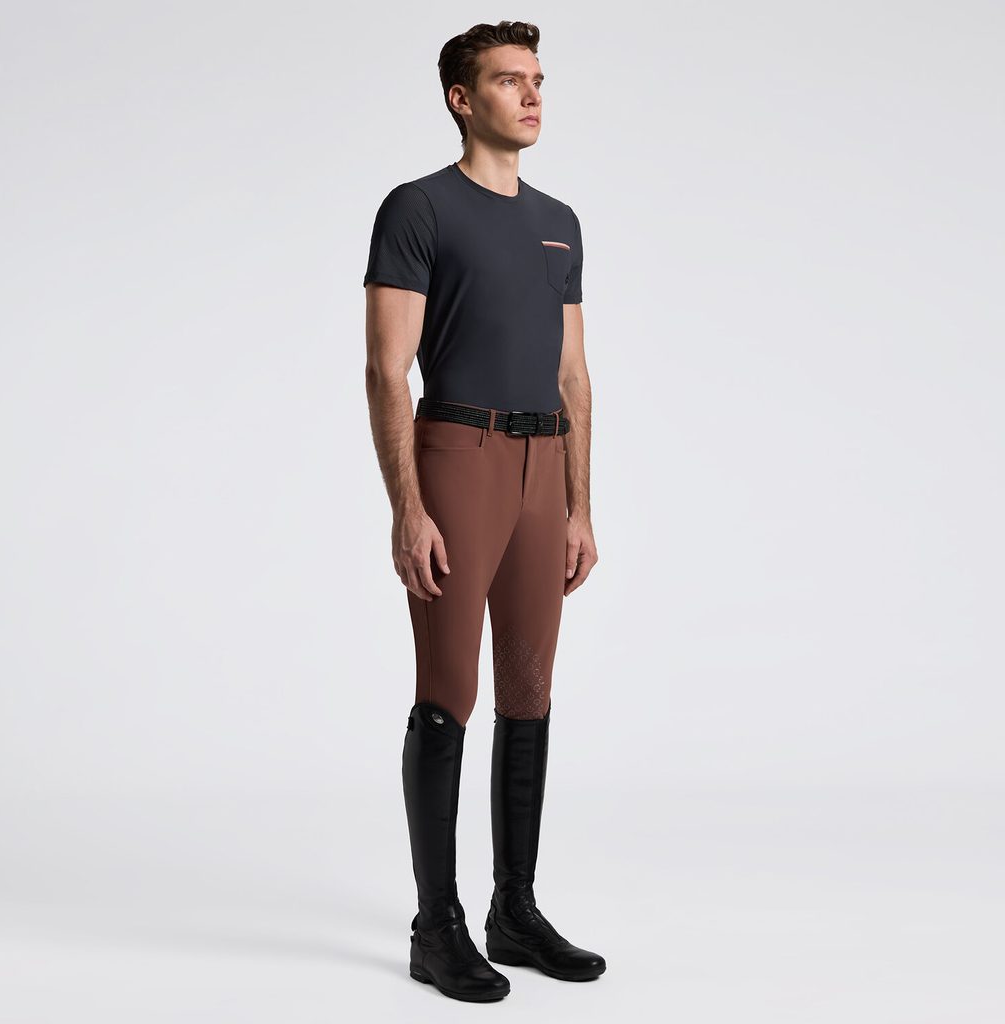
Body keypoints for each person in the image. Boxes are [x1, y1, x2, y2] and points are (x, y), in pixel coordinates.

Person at [363, 20, 605, 1002]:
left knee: (530, 691)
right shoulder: (418, 208)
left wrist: (580, 505)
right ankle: (437, 925)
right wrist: (407, 508)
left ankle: (514, 909)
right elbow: (386, 368)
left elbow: (573, 374)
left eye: (538, 78)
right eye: (510, 80)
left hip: (545, 464)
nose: (533, 94)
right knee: (447, 691)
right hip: (459, 454)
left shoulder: (560, 222)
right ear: (462, 99)